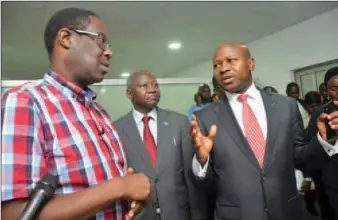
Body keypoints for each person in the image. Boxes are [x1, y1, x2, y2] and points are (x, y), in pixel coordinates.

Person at [1, 8, 151, 219]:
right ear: (66, 38)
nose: (109, 52)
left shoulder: (99, 113)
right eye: (101, 40)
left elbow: (102, 196)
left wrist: (127, 200)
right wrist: (119, 188)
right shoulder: (26, 102)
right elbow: (13, 214)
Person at [190, 41, 338, 220]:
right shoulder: (205, 117)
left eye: (231, 60)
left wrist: (324, 140)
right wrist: (202, 160)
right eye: (216, 65)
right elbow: (204, 186)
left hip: (285, 211)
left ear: (251, 63)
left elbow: (301, 158)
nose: (223, 69)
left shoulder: (286, 106)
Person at [114, 70, 212, 220]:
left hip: (178, 214)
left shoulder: (179, 123)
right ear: (129, 94)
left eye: (155, 85)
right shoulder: (116, 129)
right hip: (140, 215)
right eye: (144, 86)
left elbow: (190, 176)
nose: (152, 89)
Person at [306, 66, 338, 220]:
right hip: (329, 182)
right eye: (333, 88)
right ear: (326, 91)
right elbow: (309, 149)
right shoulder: (320, 113)